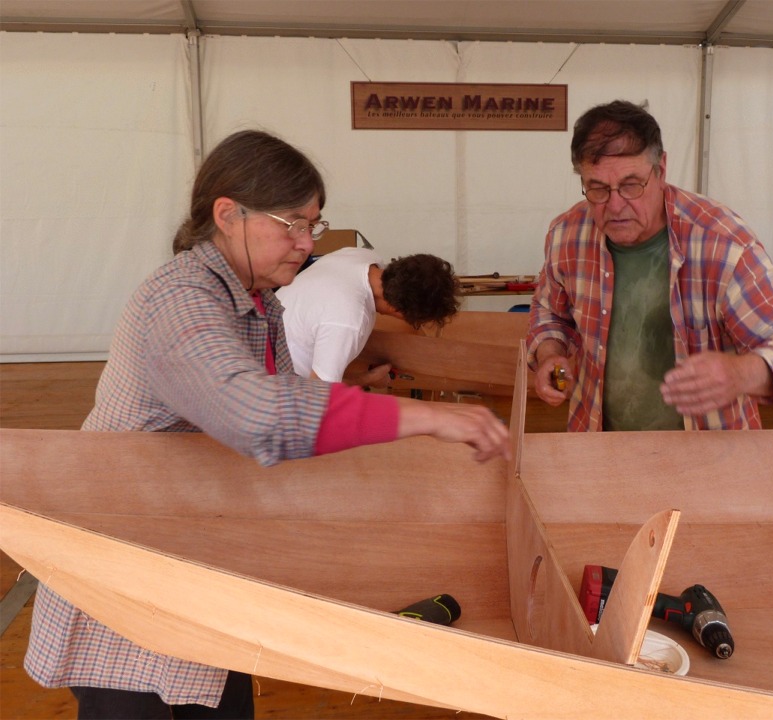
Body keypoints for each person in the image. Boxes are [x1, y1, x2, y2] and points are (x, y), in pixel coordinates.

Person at [24, 129, 510, 720]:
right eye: (291, 224)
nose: (307, 243)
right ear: (227, 215)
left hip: (194, 563)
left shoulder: (257, 302)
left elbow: (284, 408)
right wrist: (426, 416)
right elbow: (257, 415)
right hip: (125, 576)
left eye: (314, 224)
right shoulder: (180, 298)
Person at [526, 100, 773, 432]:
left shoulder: (722, 243)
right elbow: (549, 311)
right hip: (596, 446)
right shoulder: (567, 234)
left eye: (631, 185)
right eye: (597, 188)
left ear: (662, 170)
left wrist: (740, 374)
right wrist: (550, 354)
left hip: (710, 458)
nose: (616, 206)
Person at [276, 248, 459, 385]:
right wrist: (368, 379)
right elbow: (317, 396)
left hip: (265, 340)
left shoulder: (360, 255)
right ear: (399, 310)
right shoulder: (347, 320)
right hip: (274, 383)